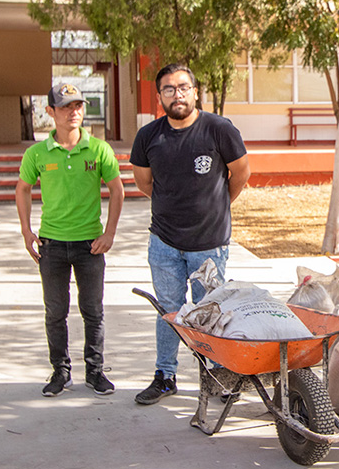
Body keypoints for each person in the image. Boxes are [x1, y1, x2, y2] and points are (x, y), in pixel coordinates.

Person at [130, 63, 250, 405]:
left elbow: (240, 173)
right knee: (168, 310)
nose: (177, 94)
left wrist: (219, 207)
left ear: (195, 92)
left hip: (209, 246)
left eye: (183, 88)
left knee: (209, 311)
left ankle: (217, 376)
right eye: (169, 89)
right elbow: (144, 183)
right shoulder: (148, 136)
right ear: (160, 97)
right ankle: (165, 376)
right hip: (164, 244)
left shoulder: (219, 129)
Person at [15, 83, 124, 397]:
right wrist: (26, 230)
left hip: (90, 245)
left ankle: (95, 372)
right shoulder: (37, 153)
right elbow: (23, 188)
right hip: (52, 245)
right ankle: (60, 373)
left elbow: (117, 190)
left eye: (78, 105)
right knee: (55, 313)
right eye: (65, 106)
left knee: (93, 311)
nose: (74, 112)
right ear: (50, 112)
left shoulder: (99, 148)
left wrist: (109, 233)